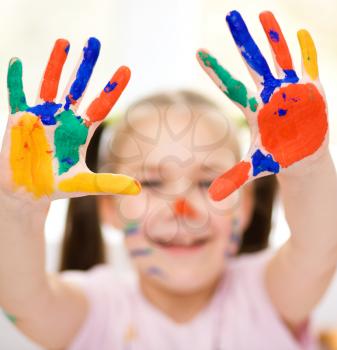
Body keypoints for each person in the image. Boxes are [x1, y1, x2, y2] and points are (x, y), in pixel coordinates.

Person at [0, 10, 336, 350]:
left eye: (207, 183)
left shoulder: (268, 296)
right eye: (152, 184)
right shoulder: (97, 311)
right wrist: (18, 208)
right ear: (109, 209)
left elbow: (320, 249)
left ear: (245, 206)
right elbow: (23, 300)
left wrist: (307, 165)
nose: (181, 207)